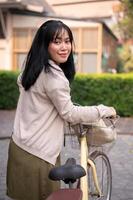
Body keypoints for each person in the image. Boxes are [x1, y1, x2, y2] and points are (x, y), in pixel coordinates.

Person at [6, 20, 116, 200]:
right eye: (57, 42)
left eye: (67, 41)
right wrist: (101, 110)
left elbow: (44, 102)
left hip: (20, 146)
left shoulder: (31, 68)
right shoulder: (53, 77)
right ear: (45, 44)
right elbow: (69, 113)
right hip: (39, 155)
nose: (64, 47)